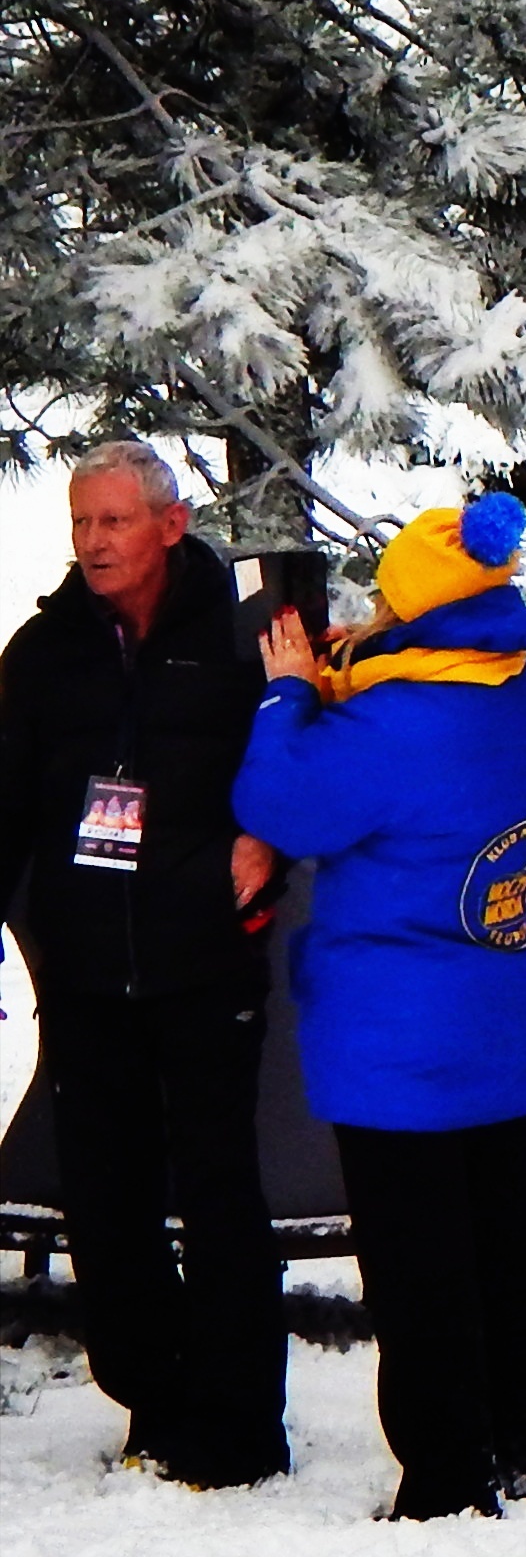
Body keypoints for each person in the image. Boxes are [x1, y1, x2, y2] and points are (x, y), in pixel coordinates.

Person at [234, 496, 526, 1518]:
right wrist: (362, 671)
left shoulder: (388, 725)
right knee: (506, 1243)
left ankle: (445, 1476)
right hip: (500, 1023)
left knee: (417, 1264)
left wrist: (290, 695)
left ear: (418, 610)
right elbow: (422, 712)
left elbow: (282, 804)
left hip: (396, 1045)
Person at [0, 439, 284, 1484]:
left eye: (113, 522)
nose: (92, 543)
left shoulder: (242, 635)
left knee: (218, 1196)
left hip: (206, 960)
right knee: (108, 1202)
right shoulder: (42, 652)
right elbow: (8, 805)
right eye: (80, 523)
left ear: (171, 524)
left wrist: (273, 840)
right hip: (84, 972)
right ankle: (153, 1402)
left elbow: (302, 758)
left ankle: (241, 1422)